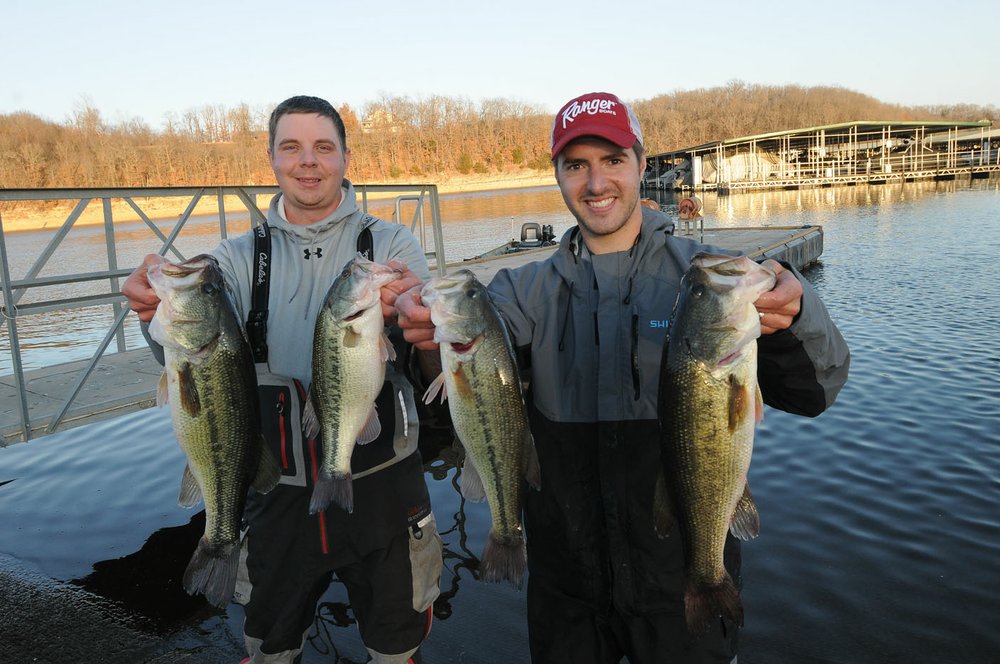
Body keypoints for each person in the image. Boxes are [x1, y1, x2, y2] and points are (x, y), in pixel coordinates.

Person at [397, 91, 850, 663]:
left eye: (612, 160)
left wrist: (797, 314)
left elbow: (814, 392)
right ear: (558, 177)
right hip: (567, 595)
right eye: (575, 165)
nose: (595, 183)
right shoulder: (516, 294)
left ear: (641, 162)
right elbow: (448, 417)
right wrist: (428, 346)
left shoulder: (710, 279)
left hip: (678, 579)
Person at [123, 95, 443, 664]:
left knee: (396, 645)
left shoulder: (391, 245)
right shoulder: (237, 257)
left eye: (323, 147)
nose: (308, 162)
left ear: (346, 158)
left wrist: (422, 319)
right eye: (291, 147)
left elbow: (426, 350)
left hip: (385, 490)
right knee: (270, 645)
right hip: (274, 493)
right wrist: (155, 316)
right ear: (271, 159)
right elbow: (193, 353)